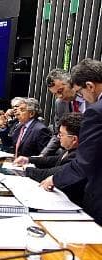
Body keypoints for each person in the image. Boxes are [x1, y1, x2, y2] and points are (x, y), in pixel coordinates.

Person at [40, 59, 102, 225]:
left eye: (80, 92)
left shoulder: (96, 110)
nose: (82, 96)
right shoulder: (62, 104)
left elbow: (86, 161)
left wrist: (55, 179)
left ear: (89, 86)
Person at [40, 69, 86, 156]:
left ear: (71, 83)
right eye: (55, 94)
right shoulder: (59, 103)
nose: (59, 96)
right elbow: (58, 133)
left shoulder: (91, 98)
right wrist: (42, 156)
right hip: (72, 153)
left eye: (60, 91)